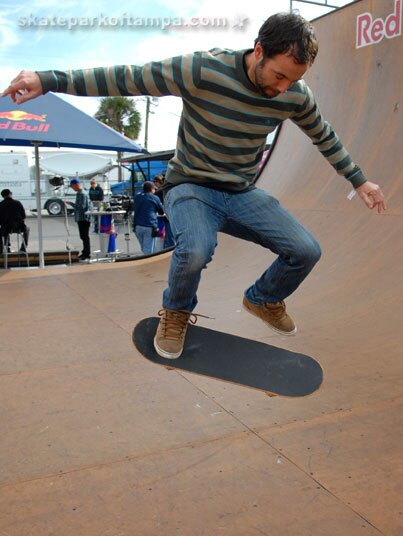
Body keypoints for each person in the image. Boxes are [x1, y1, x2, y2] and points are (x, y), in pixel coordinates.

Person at [3, 12, 386, 359]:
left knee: (306, 250)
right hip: (189, 186)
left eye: (294, 80)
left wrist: (359, 179)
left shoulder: (295, 96)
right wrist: (50, 80)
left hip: (240, 191)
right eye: (279, 76)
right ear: (258, 51)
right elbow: (127, 76)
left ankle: (264, 299)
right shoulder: (202, 70)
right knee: (196, 249)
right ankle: (176, 313)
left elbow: (325, 136)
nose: (284, 88)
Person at [133, 181, 164, 255]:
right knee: (148, 250)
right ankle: (147, 266)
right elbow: (161, 211)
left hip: (138, 226)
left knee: (144, 248)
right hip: (149, 226)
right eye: (154, 189)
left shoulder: (137, 197)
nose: (155, 190)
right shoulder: (154, 197)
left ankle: (145, 263)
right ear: (151, 189)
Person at [69, 178, 93, 261]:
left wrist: (71, 204)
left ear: (76, 185)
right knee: (84, 236)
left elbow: (81, 207)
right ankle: (85, 252)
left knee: (84, 236)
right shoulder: (81, 193)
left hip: (83, 218)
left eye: (72, 186)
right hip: (83, 218)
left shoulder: (81, 194)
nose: (72, 188)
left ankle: (86, 254)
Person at [0, 188, 30, 254]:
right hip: (18, 228)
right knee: (27, 229)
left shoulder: (1, 204)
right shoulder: (17, 203)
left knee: (3, 231)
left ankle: (5, 248)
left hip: (5, 229)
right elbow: (23, 217)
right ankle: (23, 248)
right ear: (10, 194)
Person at [154, 174, 175, 249]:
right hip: (168, 216)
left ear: (160, 182)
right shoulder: (168, 190)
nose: (155, 183)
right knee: (169, 236)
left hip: (162, 217)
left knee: (164, 237)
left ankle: (166, 251)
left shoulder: (158, 193)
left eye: (156, 181)